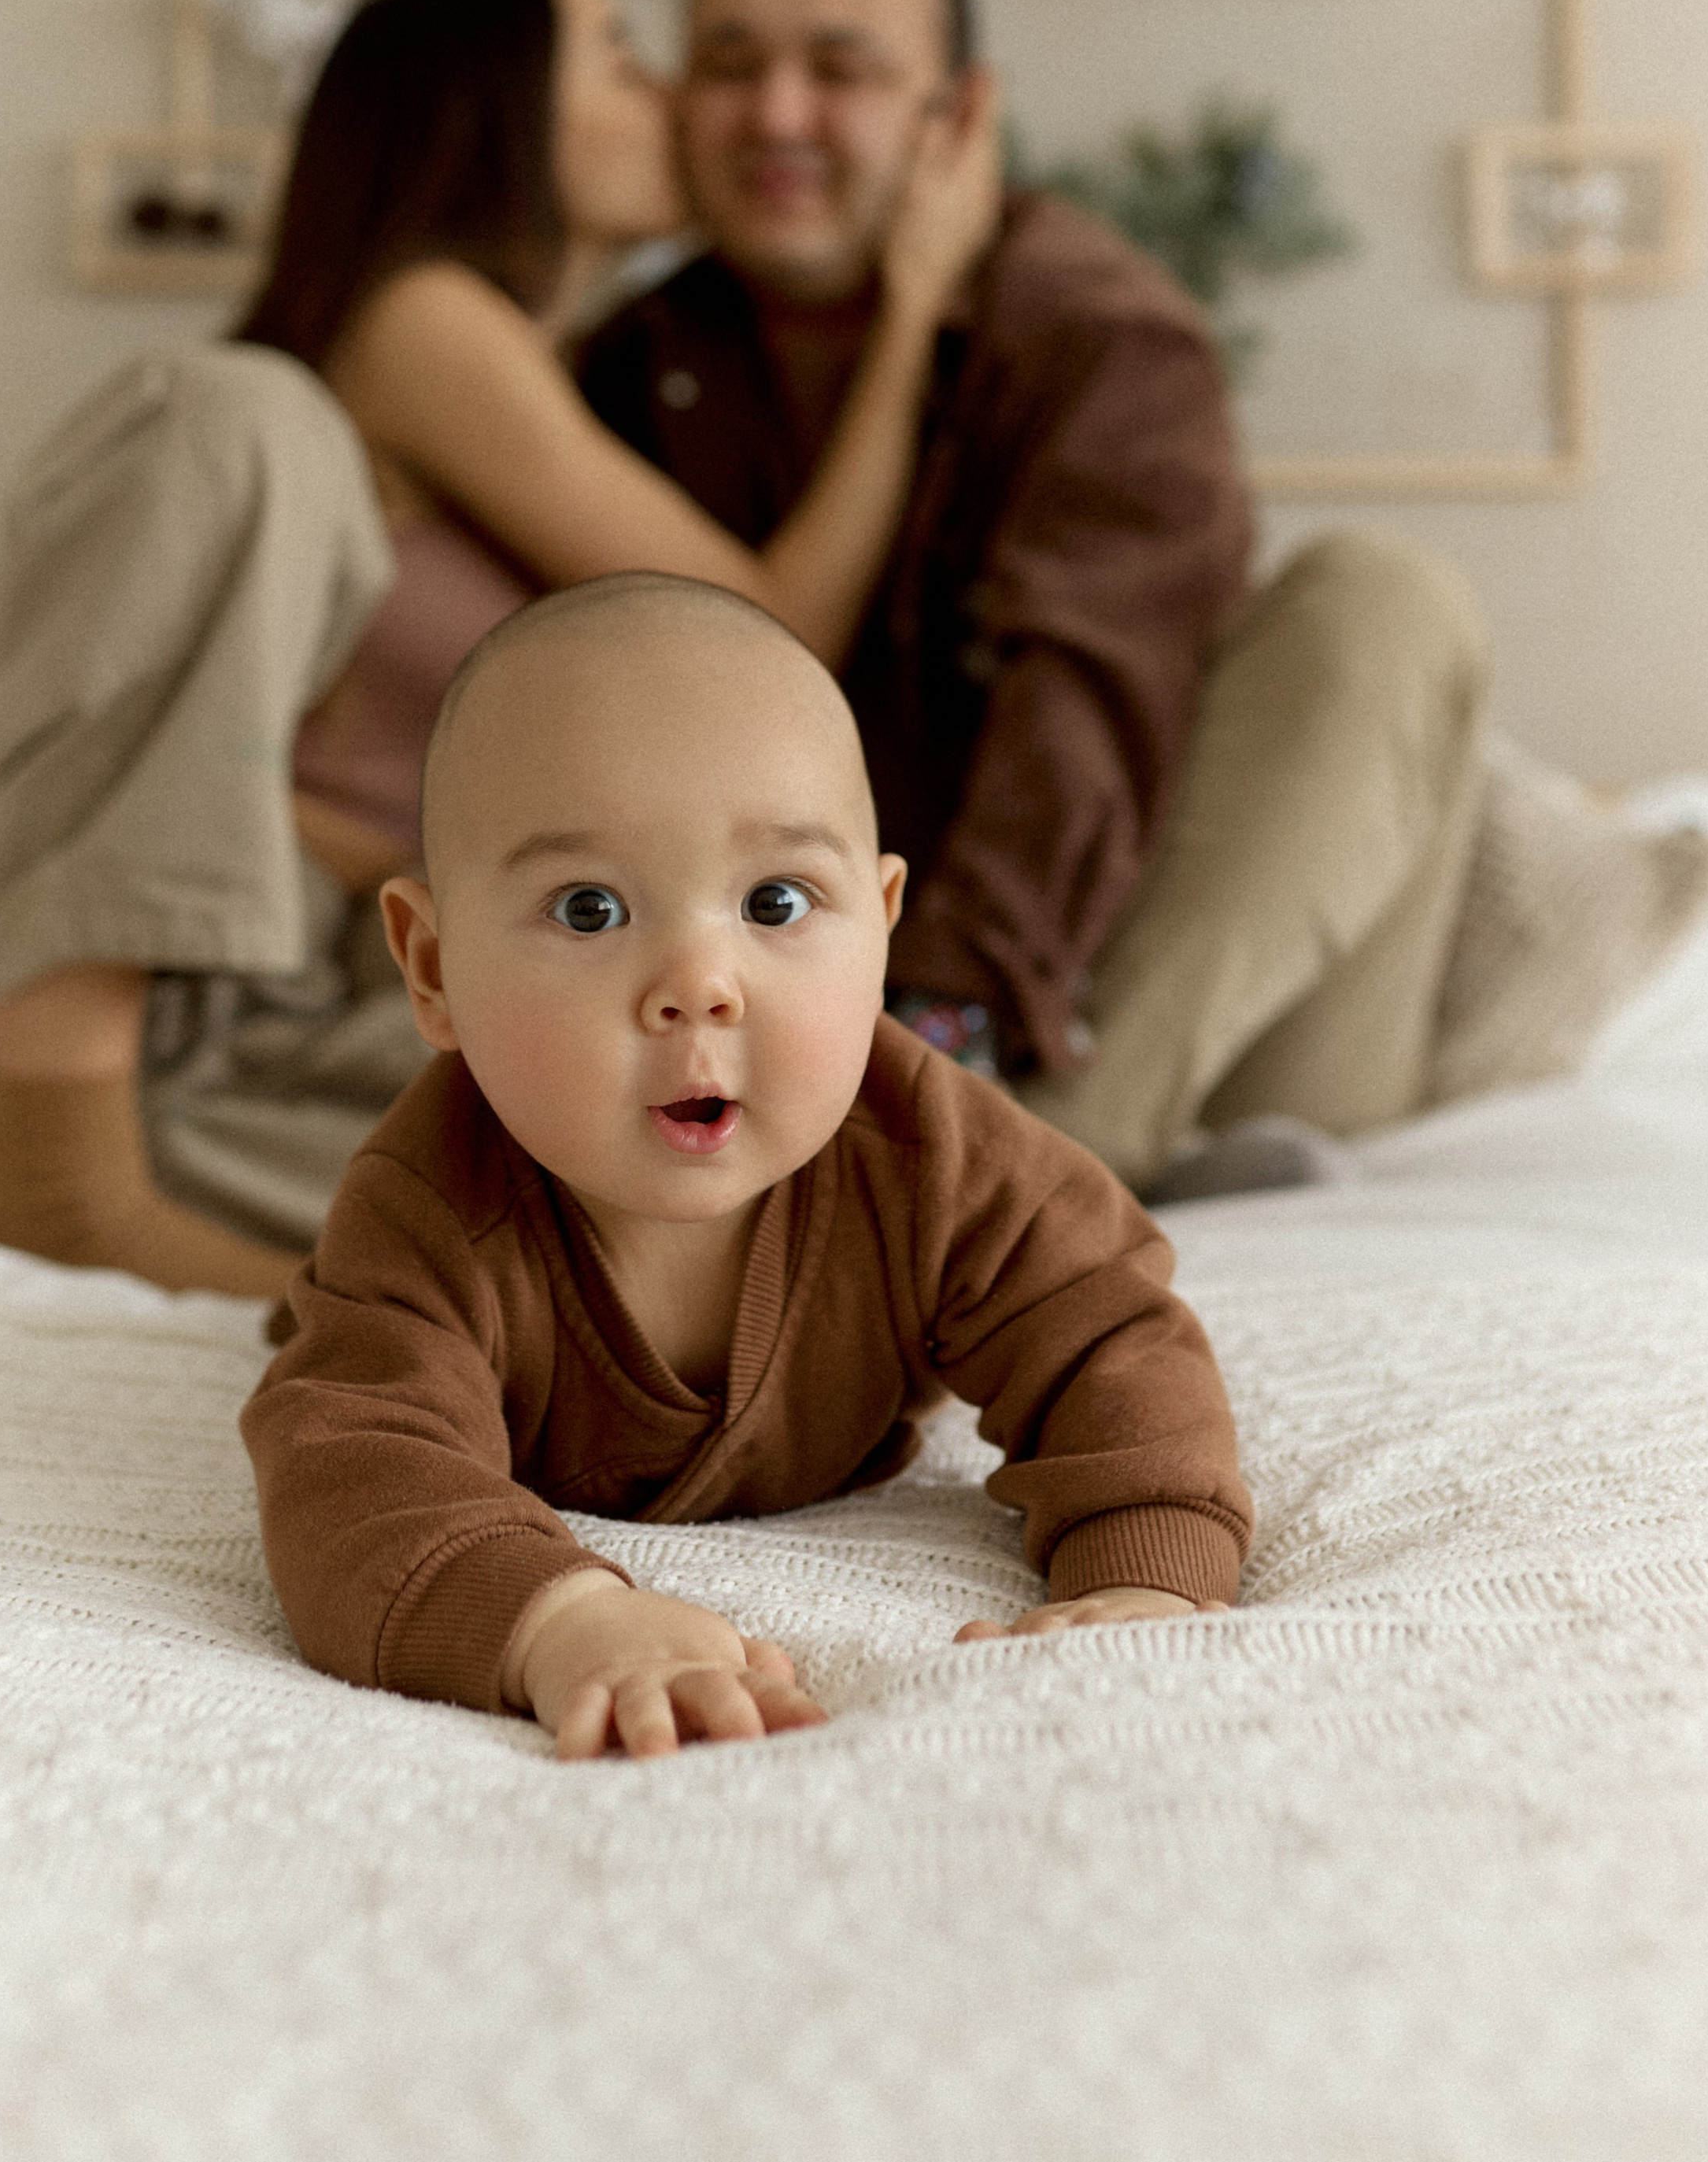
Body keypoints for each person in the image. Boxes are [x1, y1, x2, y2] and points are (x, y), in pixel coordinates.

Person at [0, 0, 1000, 1294]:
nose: (660, 92)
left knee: (577, 1146)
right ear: (495, 106)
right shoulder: (424, 317)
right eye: (616, 52)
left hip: (241, 994)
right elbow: (755, 635)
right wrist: (914, 308)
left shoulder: (565, 384)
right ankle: (56, 1174)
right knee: (237, 421)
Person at [242, 574, 1251, 1759]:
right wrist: (561, 1621)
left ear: (879, 932)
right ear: (432, 967)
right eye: (588, 907)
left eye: (777, 901)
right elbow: (347, 1469)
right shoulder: (431, 1207)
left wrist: (1144, 1573)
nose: (699, 982)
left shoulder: (931, 1154)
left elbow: (1111, 1334)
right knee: (330, 1339)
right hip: (408, 1345)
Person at [579, 0, 1492, 1188]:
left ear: (955, 116)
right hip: (820, 1041)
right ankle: (999, 1166)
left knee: (1384, 602)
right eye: (730, 66)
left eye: (840, 70)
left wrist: (940, 1044)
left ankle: (1024, 1180)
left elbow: (1087, 706)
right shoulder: (632, 364)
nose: (778, 114)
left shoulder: (1099, 333)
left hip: (1175, 1014)